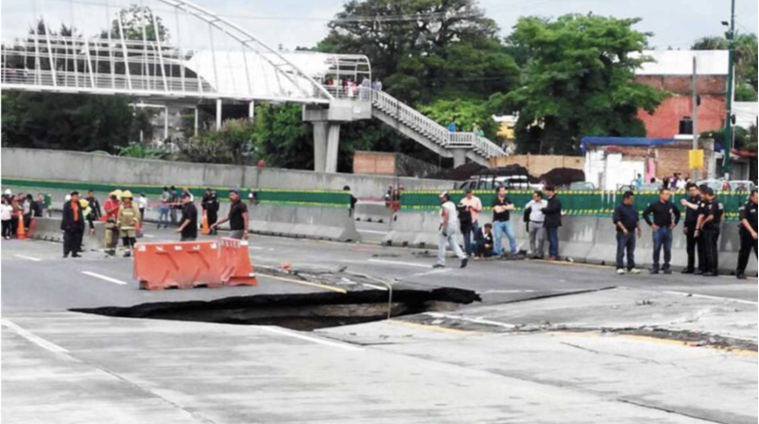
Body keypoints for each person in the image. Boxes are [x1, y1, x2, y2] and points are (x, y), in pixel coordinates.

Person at [643, 189, 682, 275]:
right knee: (656, 248)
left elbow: (678, 214)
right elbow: (645, 214)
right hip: (658, 229)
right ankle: (655, 266)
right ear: (661, 195)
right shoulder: (655, 205)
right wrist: (651, 224)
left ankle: (666, 266)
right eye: (666, 194)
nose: (668, 196)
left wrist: (674, 223)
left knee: (667, 249)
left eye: (669, 194)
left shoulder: (671, 205)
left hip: (668, 229)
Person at [434, 192, 468, 269]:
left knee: (441, 244)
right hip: (454, 225)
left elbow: (446, 216)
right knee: (453, 243)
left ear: (446, 197)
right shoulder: (452, 204)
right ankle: (463, 257)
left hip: (447, 225)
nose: (441, 199)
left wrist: (444, 228)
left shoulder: (445, 205)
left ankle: (441, 262)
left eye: (442, 197)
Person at [696, 188, 724, 277]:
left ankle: (712, 269)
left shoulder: (714, 203)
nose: (702, 196)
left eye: (703, 194)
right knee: (712, 249)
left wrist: (703, 223)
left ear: (707, 194)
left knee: (710, 250)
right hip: (715, 227)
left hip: (711, 228)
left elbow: (711, 216)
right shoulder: (719, 202)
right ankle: (710, 268)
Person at [613, 191, 642, 275]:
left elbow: (636, 219)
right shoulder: (619, 208)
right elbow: (617, 220)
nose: (632, 201)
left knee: (631, 250)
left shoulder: (633, 208)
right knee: (621, 250)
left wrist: (639, 229)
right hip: (622, 232)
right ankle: (620, 267)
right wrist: (623, 229)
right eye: (631, 199)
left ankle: (631, 266)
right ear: (626, 198)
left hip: (632, 231)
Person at [680, 183, 705, 275]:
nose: (692, 192)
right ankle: (690, 266)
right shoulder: (689, 199)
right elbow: (687, 214)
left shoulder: (700, 199)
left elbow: (697, 208)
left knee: (700, 248)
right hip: (690, 225)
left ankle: (701, 267)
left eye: (694, 190)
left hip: (698, 226)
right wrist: (685, 225)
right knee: (690, 248)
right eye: (690, 190)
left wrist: (687, 203)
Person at [736, 189, 758, 280]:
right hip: (747, 233)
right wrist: (752, 231)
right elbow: (743, 219)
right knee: (744, 253)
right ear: (752, 197)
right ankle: (740, 271)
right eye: (757, 197)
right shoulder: (746, 206)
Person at [493, 186, 518, 258]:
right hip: (497, 222)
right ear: (498, 192)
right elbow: (497, 210)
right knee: (498, 237)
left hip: (506, 221)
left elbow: (513, 207)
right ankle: (499, 252)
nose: (504, 192)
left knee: (512, 235)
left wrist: (503, 207)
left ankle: (513, 251)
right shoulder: (495, 200)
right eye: (502, 191)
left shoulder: (507, 199)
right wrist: (507, 207)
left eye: (504, 191)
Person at [60, 191, 85, 258]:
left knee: (76, 239)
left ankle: (74, 252)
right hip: (69, 224)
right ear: (72, 197)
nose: (76, 197)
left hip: (77, 224)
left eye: (77, 196)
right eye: (75, 196)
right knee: (67, 239)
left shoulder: (78, 204)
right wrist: (67, 225)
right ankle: (66, 253)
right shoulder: (67, 204)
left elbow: (80, 214)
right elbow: (65, 216)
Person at [524, 191, 548, 259]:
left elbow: (548, 209)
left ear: (539, 197)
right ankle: (533, 252)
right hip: (532, 222)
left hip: (541, 222)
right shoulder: (532, 202)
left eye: (536, 196)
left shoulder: (545, 203)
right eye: (533, 196)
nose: (534, 198)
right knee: (532, 238)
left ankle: (539, 253)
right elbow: (526, 206)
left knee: (541, 239)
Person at [459, 190, 483, 257]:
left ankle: (476, 251)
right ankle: (468, 251)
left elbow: (480, 209)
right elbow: (460, 208)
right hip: (466, 220)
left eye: (469, 193)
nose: (468, 195)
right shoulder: (463, 200)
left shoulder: (476, 199)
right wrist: (464, 208)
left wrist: (472, 208)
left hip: (474, 219)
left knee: (476, 235)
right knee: (466, 236)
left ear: (471, 193)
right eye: (467, 194)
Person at [542, 186, 563, 261]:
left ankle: (554, 254)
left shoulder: (555, 200)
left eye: (546, 191)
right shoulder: (550, 199)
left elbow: (552, 209)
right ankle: (551, 254)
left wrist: (543, 210)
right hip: (549, 221)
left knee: (553, 238)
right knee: (550, 238)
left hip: (553, 221)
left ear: (551, 191)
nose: (545, 193)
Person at [117, 191, 140, 257]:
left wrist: (134, 221)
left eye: (128, 198)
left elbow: (137, 214)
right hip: (123, 225)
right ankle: (127, 252)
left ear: (130, 198)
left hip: (131, 226)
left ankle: (136, 251)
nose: (126, 200)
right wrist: (118, 222)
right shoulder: (121, 206)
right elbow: (119, 215)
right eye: (125, 198)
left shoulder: (133, 205)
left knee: (132, 239)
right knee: (125, 239)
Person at [102, 190, 121, 256]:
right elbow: (108, 211)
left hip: (117, 222)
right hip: (110, 222)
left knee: (115, 238)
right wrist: (117, 207)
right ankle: (107, 251)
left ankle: (113, 250)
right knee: (108, 238)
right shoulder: (108, 202)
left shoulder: (119, 202)